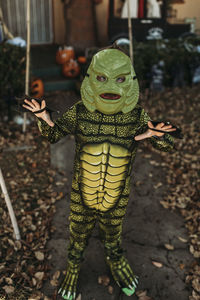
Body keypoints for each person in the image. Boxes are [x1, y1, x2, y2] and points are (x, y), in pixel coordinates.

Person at [23, 46, 176, 300]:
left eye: (119, 79)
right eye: (103, 78)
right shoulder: (80, 112)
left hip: (117, 196)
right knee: (77, 236)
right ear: (91, 79)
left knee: (113, 235)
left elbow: (166, 145)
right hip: (81, 194)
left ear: (130, 81)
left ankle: (115, 261)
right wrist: (43, 117)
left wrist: (159, 136)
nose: (110, 86)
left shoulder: (137, 116)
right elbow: (54, 134)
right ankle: (73, 268)